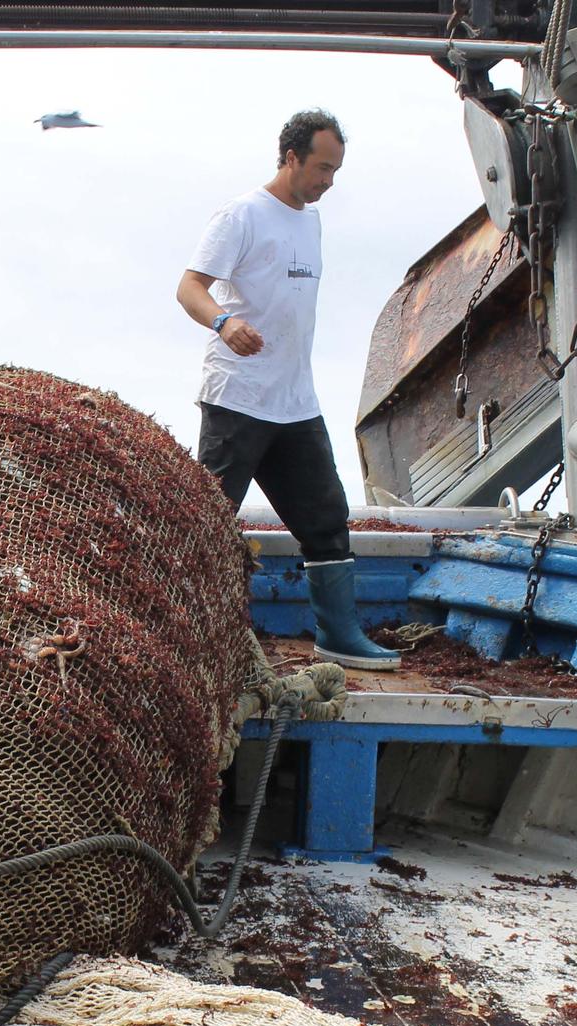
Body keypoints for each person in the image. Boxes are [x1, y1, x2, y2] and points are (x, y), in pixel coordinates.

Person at [175, 109, 400, 671]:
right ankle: (190, 642)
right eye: (322, 167)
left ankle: (339, 635)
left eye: (336, 170)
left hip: (296, 402)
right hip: (238, 399)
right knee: (209, 525)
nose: (329, 180)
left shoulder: (313, 221)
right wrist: (224, 322)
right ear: (291, 157)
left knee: (327, 518)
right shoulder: (242, 215)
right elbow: (189, 287)